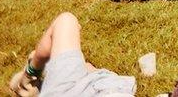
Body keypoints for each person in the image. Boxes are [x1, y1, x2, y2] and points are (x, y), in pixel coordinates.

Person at [7, 12, 136, 96]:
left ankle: (29, 77)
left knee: (66, 21)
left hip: (71, 92)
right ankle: (37, 83)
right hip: (111, 86)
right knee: (88, 68)